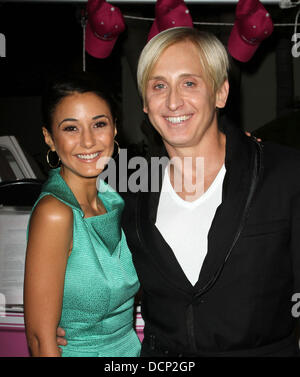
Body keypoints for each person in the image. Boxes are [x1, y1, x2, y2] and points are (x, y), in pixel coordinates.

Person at [57, 27, 300, 357]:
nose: (172, 101)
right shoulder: (127, 185)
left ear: (220, 92)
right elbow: (104, 269)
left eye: (189, 83)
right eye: (159, 86)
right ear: (145, 102)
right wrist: (76, 317)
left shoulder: (284, 173)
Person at [24, 74, 141, 357]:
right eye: (71, 129)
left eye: (99, 124)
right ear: (49, 138)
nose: (88, 141)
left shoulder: (114, 199)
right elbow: (41, 341)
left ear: (114, 129)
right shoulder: (55, 214)